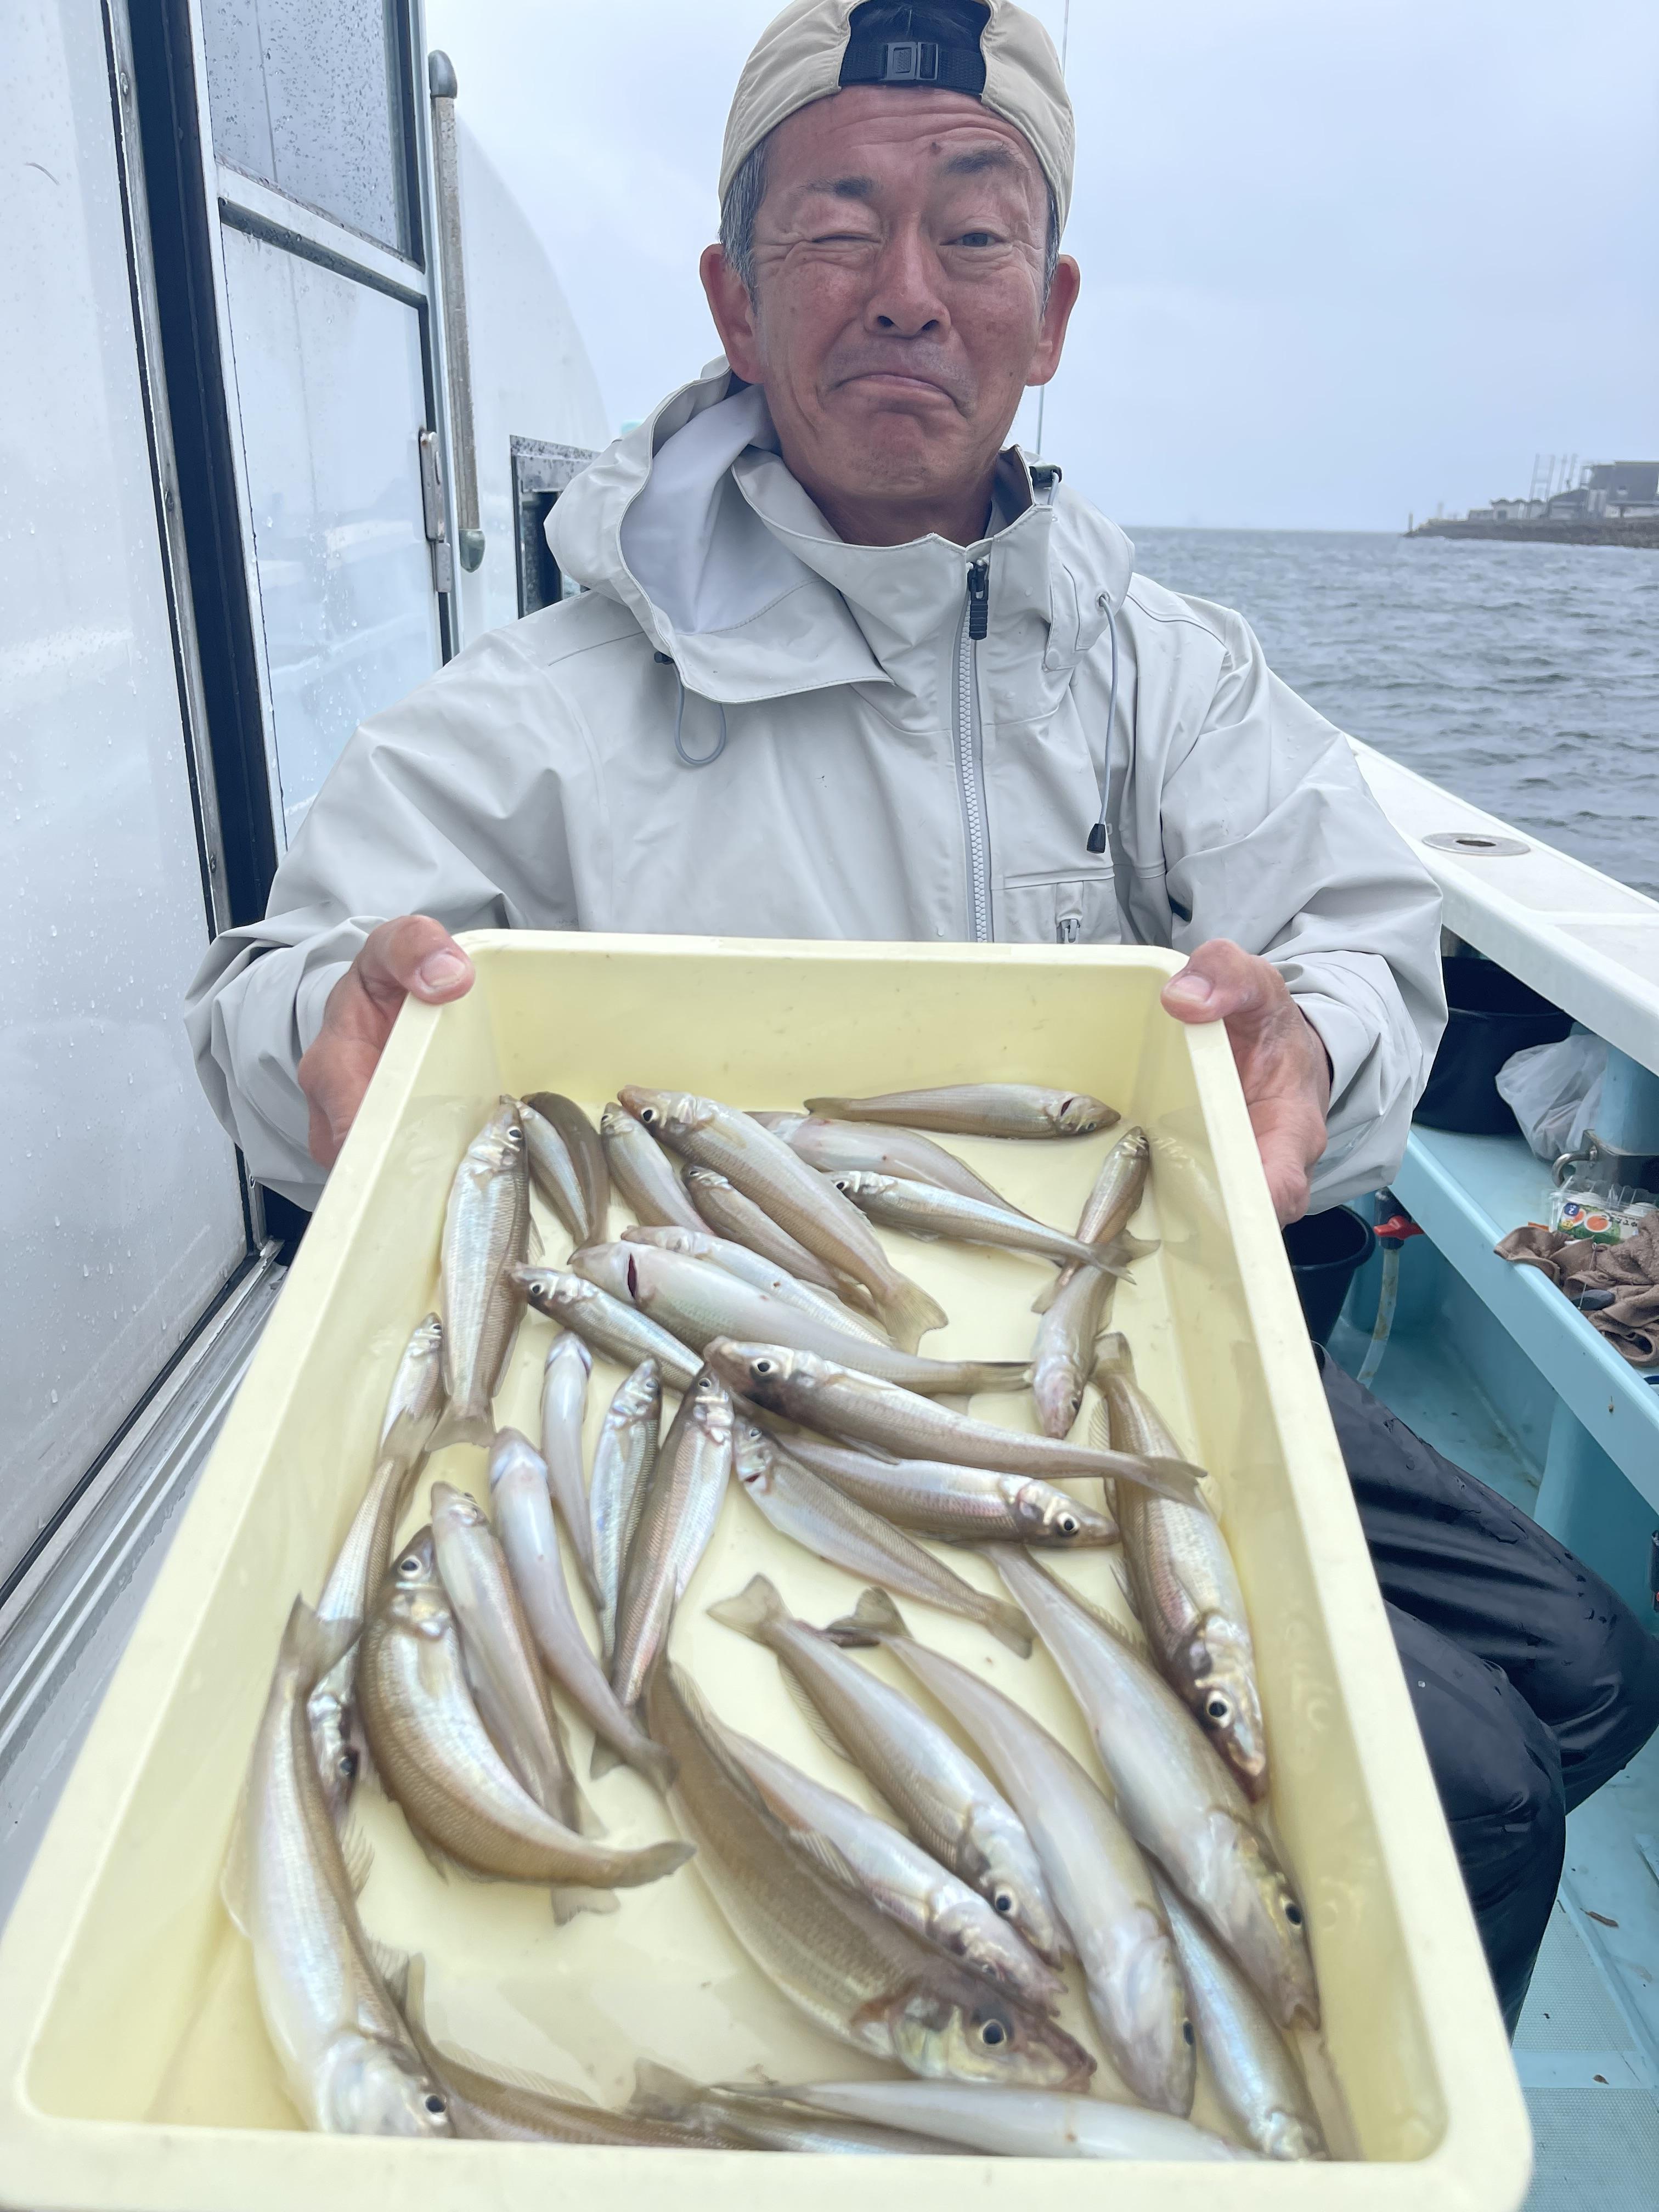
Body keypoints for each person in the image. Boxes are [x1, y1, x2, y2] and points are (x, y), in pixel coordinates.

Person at [186, 0, 1656, 2030]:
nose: (906, 292)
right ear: (730, 296)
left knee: (1594, 1661)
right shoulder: (541, 706)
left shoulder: (1164, 672)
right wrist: (321, 1048)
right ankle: (1230, 2045)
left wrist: (1305, 1042)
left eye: (973, 237)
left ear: (1049, 313)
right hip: (707, 1389)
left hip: (1098, 1355)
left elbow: (1357, 928)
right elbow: (277, 996)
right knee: (1481, 1794)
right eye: (837, 229)